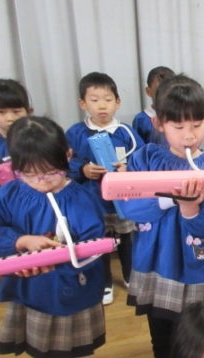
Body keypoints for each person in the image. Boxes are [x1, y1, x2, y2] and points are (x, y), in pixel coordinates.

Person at [0, 116, 107, 358]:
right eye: (30, 174)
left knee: (79, 352)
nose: (42, 181)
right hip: (34, 292)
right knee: (48, 353)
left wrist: (62, 256)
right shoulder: (10, 195)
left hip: (75, 290)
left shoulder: (81, 197)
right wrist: (21, 242)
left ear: (67, 157)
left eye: (50, 172)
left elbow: (94, 243)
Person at [119, 74, 204, 358]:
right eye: (178, 127)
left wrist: (191, 208)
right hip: (158, 264)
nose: (189, 136)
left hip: (199, 267)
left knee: (203, 338)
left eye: (196, 125)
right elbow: (129, 208)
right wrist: (171, 199)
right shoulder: (144, 158)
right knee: (163, 336)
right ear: (159, 124)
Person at [66, 71, 145, 305]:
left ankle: (131, 276)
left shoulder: (126, 132)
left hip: (123, 201)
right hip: (91, 201)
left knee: (127, 239)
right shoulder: (75, 133)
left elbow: (142, 159)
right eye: (94, 100)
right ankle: (105, 283)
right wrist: (83, 170)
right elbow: (64, 163)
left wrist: (128, 168)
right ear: (82, 103)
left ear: (117, 102)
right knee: (98, 243)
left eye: (108, 100)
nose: (102, 105)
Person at [132, 66, 175, 143]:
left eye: (169, 90)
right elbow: (138, 147)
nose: (164, 95)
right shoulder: (141, 120)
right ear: (148, 91)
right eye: (158, 91)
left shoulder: (182, 116)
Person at [0, 79, 32, 162]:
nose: (10, 118)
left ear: (28, 112)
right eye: (1, 112)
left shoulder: (41, 139)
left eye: (16, 111)